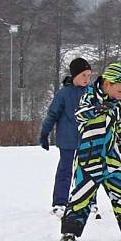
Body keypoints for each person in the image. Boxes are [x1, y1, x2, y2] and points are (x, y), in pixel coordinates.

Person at [60, 63, 121, 241]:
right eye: (120, 91)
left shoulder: (117, 102)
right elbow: (79, 116)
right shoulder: (89, 95)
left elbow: (118, 122)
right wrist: (98, 108)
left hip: (109, 154)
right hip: (89, 155)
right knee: (83, 193)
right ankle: (70, 231)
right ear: (107, 84)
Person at [39, 57, 92, 217]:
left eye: (89, 76)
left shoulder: (91, 93)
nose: (87, 79)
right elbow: (52, 114)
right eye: (83, 75)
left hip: (87, 140)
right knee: (65, 170)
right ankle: (60, 202)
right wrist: (45, 133)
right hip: (67, 139)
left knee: (87, 171)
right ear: (75, 75)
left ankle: (88, 201)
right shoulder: (63, 94)